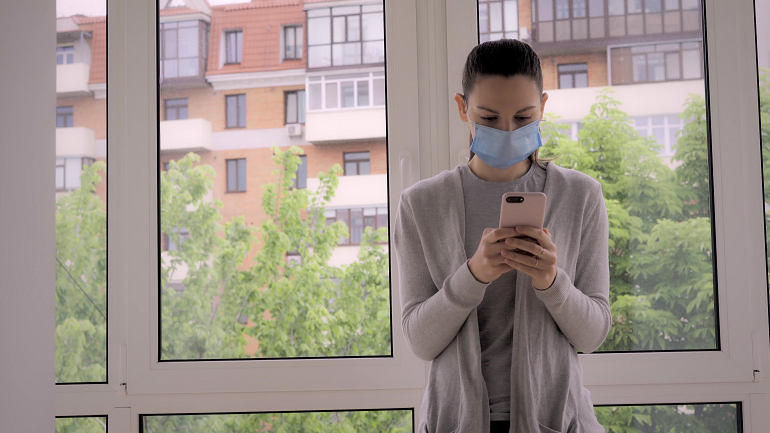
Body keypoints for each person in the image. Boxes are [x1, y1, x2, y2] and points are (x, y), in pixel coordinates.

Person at [393, 39, 611, 433]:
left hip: (558, 422)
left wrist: (551, 282)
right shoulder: (420, 205)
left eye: (524, 117)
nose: (508, 131)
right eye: (490, 118)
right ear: (463, 108)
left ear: (543, 106)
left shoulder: (581, 196)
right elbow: (421, 342)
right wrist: (473, 275)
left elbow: (592, 334)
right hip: (454, 422)